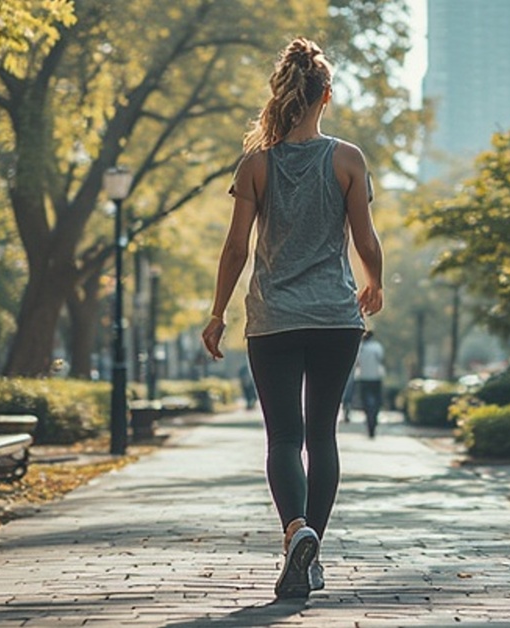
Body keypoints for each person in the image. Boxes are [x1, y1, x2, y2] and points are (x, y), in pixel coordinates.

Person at [200, 37, 383, 600]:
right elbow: (365, 239)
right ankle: (312, 548)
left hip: (273, 317)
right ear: (326, 95)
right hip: (335, 316)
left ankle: (295, 530)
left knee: (283, 435)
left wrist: (217, 312)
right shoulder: (347, 159)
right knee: (322, 434)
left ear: (283, 94)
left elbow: (236, 248)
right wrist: (375, 282)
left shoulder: (256, 164)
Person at [354, 330, 385, 438]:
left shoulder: (360, 348)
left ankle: (369, 420)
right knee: (377, 401)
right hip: (376, 377)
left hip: (363, 377)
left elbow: (357, 363)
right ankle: (374, 418)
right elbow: (381, 360)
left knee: (365, 402)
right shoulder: (377, 347)